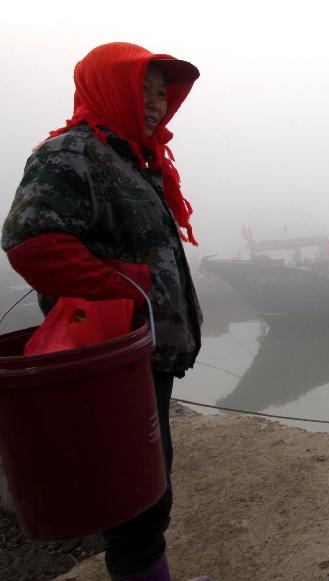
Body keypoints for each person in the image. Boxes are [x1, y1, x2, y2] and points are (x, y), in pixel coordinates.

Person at [2, 42, 203, 581]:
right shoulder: (71, 152)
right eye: (143, 89)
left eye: (163, 93)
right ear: (108, 87)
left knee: (149, 482)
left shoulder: (132, 156)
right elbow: (32, 241)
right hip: (114, 351)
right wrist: (129, 291)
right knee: (135, 497)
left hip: (145, 353)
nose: (157, 102)